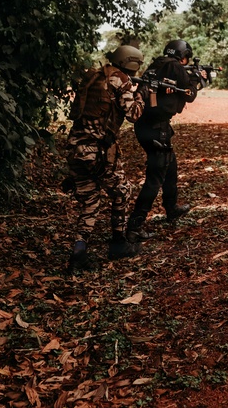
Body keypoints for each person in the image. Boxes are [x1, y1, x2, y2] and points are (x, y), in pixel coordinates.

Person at [66, 45, 146, 273]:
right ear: (131, 62)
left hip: (75, 148)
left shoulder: (95, 75)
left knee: (90, 202)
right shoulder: (121, 80)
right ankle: (119, 243)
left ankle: (78, 254)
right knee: (122, 191)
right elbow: (134, 115)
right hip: (97, 151)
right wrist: (140, 94)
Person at [125, 39, 202, 243]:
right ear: (183, 55)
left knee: (171, 166)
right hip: (156, 127)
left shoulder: (158, 63)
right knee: (155, 177)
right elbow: (190, 94)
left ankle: (171, 208)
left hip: (146, 124)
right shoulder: (175, 67)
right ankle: (135, 225)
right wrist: (198, 79)